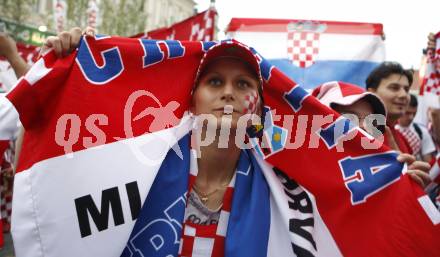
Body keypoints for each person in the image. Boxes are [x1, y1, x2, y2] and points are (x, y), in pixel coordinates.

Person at [37, 29, 433, 256]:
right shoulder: (141, 166)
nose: (228, 93)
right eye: (214, 82)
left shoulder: (287, 186)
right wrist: (67, 71)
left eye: (242, 83)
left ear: (257, 105)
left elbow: (353, 215)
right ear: (192, 100)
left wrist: (393, 189)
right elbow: (53, 179)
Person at [313, 81, 431, 188]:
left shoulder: (383, 178)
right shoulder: (297, 175)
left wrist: (404, 188)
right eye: (349, 118)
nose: (364, 126)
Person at [366, 61, 413, 154]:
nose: (404, 95)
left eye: (407, 90)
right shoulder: (359, 134)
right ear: (372, 93)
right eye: (394, 88)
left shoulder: (403, 139)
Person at [397, 94, 436, 162]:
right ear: (400, 108)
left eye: (414, 113)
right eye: (408, 113)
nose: (411, 117)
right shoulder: (389, 129)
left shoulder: (421, 131)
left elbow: (428, 161)